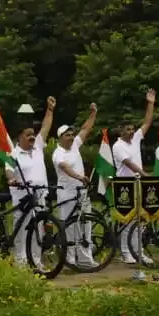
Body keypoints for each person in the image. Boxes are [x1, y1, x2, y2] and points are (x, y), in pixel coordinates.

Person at [5, 96, 55, 268]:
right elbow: (9, 170)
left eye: (33, 134)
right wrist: (12, 179)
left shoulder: (38, 147)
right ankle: (20, 262)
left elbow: (46, 127)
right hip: (23, 199)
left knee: (38, 230)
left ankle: (36, 261)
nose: (32, 137)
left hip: (40, 196)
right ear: (20, 137)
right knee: (22, 230)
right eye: (29, 135)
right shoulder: (13, 154)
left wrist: (50, 109)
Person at [112, 89, 156, 265]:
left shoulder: (136, 139)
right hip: (125, 185)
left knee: (141, 219)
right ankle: (125, 252)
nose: (131, 132)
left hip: (139, 184)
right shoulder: (118, 146)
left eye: (132, 129)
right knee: (127, 219)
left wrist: (150, 103)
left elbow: (147, 123)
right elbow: (129, 163)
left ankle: (138, 250)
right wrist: (145, 174)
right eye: (127, 129)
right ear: (121, 131)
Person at [52, 102, 97, 267]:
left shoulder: (75, 146)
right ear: (60, 138)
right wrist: (80, 177)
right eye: (67, 135)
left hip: (81, 192)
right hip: (67, 193)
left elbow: (85, 129)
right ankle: (69, 259)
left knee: (86, 224)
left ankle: (86, 258)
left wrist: (93, 113)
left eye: (71, 134)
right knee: (69, 227)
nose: (71, 137)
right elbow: (65, 167)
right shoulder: (58, 153)